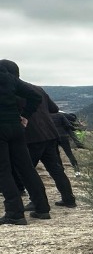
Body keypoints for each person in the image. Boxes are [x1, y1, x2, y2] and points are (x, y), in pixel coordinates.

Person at [0, 60, 77, 211]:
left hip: (31, 136)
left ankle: (24, 203)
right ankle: (67, 199)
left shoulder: (11, 90)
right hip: (49, 133)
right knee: (54, 169)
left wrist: (24, 117)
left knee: (21, 170)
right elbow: (54, 108)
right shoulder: (36, 88)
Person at [0, 61, 50, 225]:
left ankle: (14, 213)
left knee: (3, 170)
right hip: (16, 126)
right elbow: (35, 96)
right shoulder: (9, 78)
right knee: (26, 167)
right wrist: (25, 116)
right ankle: (42, 208)